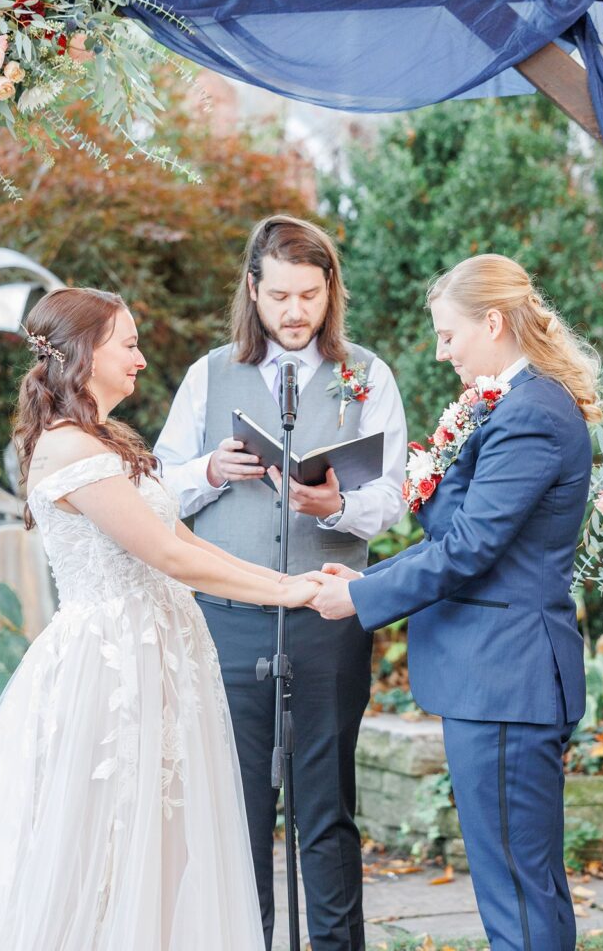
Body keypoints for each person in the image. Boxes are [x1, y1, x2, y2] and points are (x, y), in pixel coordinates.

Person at [0, 286, 318, 951]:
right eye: (128, 344)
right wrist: (286, 597)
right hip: (112, 671)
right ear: (86, 354)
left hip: (162, 658)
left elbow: (188, 540)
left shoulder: (103, 439)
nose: (141, 359)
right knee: (108, 843)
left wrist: (290, 581)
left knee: (165, 844)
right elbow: (166, 553)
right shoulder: (66, 449)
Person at [307, 254, 600, 951]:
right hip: (499, 678)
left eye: (448, 335)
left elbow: (468, 548)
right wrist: (363, 583)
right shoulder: (515, 403)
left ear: (492, 322)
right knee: (521, 883)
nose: (442, 354)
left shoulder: (530, 413)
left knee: (517, 895)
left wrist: (361, 600)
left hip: (507, 678)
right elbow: (471, 542)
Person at [154, 215, 407, 951]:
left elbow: (391, 497)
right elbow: (158, 492)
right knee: (236, 813)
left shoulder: (369, 373)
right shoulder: (209, 373)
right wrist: (206, 471)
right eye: (281, 297)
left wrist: (340, 505)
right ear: (253, 292)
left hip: (328, 618)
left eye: (310, 295)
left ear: (331, 293)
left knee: (325, 810)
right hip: (226, 620)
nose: (296, 312)